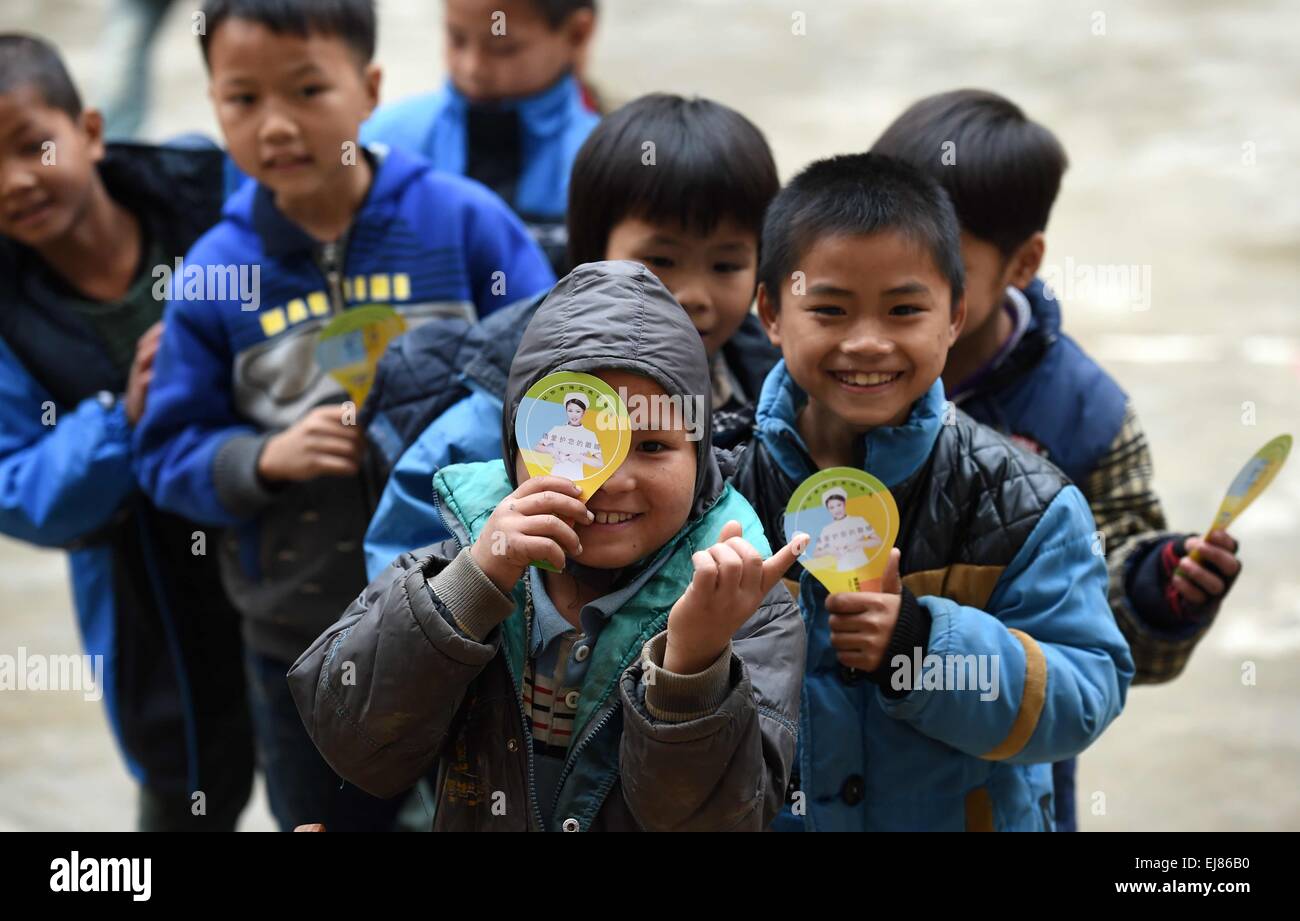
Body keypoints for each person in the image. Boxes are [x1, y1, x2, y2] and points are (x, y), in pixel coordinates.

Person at [132, 0, 553, 831]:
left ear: (368, 90)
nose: (276, 125)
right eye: (242, 100)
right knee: (322, 816)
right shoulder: (216, 273)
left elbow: (551, 363)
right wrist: (262, 458)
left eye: (307, 90)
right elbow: (165, 451)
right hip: (302, 635)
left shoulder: (459, 222)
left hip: (470, 613)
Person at [289, 260, 806, 831]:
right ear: (516, 451)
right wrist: (474, 584)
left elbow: (724, 821)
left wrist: (694, 663)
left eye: (654, 445)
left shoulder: (746, 609)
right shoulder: (455, 562)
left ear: (702, 456)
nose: (613, 478)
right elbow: (356, 744)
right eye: (575, 442)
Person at [871, 88, 1244, 830]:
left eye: (941, 265)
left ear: (1023, 261)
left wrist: (1154, 589)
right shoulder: (832, 374)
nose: (894, 295)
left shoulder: (1085, 414)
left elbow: (1101, 656)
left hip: (1005, 778)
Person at [731, 152, 1134, 831]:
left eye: (904, 310)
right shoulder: (719, 488)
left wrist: (920, 647)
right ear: (771, 310)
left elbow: (1086, 691)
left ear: (955, 315)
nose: (866, 342)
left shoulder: (1022, 501)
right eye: (829, 309)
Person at [360, 93, 782, 576]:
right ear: (590, 251)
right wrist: (465, 605)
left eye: (726, 265)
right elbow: (402, 557)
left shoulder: (768, 389)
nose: (693, 295)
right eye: (661, 262)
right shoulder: (514, 392)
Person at [0, 33, 253, 830]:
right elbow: (21, 494)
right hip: (154, 596)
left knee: (359, 760)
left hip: (289, 529)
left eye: (30, 144)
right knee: (188, 793)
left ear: (93, 131)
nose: (13, 181)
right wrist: (121, 416)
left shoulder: (209, 186)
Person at [362, 0, 600, 274]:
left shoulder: (603, 163)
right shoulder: (377, 141)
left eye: (502, 48)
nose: (472, 67)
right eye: (456, 38)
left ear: (577, 33)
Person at [535, 392, 603, 479]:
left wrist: (579, 457)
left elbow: (599, 463)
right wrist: (551, 450)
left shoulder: (590, 435)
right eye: (570, 411)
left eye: (578, 411)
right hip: (555, 476)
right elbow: (537, 446)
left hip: (577, 479)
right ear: (566, 410)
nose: (573, 415)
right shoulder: (557, 430)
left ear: (584, 412)